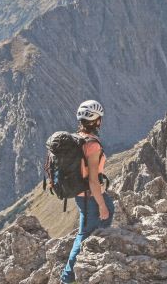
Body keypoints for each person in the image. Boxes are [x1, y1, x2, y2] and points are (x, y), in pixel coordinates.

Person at [60, 99, 115, 283]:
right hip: (91, 199)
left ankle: (73, 275)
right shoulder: (92, 145)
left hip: (80, 196)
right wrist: (102, 206)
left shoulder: (78, 139)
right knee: (83, 237)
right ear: (96, 121)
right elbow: (93, 180)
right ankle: (67, 278)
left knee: (84, 234)